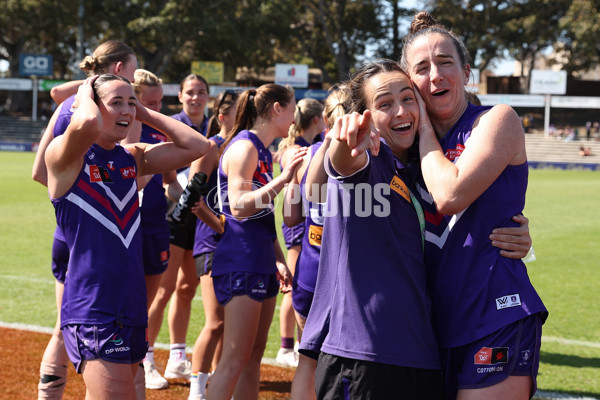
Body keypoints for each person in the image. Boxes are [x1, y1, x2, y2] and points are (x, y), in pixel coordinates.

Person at [401, 11, 548, 399]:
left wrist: (427, 135)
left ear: (466, 72)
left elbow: (451, 195)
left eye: (445, 63)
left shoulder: (497, 120)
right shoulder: (404, 145)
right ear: (411, 83)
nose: (435, 75)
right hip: (430, 325)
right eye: (422, 68)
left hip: (495, 313)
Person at [45, 74, 209, 399]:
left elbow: (197, 146)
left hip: (132, 304)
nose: (126, 110)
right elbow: (88, 122)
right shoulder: (64, 157)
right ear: (91, 105)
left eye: (130, 102)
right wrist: (85, 91)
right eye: (116, 103)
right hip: (93, 306)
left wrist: (143, 113)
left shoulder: (132, 159)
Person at [31, 40, 138, 400]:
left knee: (67, 327)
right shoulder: (96, 112)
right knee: (98, 321)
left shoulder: (68, 103)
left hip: (71, 231)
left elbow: (38, 171)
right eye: (133, 73)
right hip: (95, 235)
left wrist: (71, 199)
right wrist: (87, 200)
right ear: (119, 71)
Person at [205, 84, 306, 400]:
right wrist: (284, 177)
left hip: (259, 259)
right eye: (292, 109)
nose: (294, 118)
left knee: (252, 358)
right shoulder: (245, 146)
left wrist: (277, 256)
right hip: (240, 260)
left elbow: (260, 216)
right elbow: (237, 205)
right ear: (276, 108)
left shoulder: (262, 149)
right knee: (234, 359)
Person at [288, 84, 352, 400]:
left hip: (310, 274)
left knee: (309, 363)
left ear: (325, 121)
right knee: (347, 369)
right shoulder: (366, 154)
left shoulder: (306, 156)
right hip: (350, 281)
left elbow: (290, 219)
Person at [145, 74, 210, 383]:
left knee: (187, 289)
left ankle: (176, 357)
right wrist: (181, 194)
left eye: (201, 92)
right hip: (171, 216)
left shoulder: (213, 127)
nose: (196, 97)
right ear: (181, 96)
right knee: (163, 289)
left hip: (202, 219)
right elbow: (166, 176)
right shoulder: (169, 124)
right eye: (190, 92)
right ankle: (145, 359)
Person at [123, 69, 183, 390]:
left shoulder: (158, 132)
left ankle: (144, 358)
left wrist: (189, 206)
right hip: (129, 229)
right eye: (150, 103)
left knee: (150, 299)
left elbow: (171, 180)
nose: (156, 109)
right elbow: (137, 179)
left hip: (157, 225)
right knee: (131, 303)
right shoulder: (124, 134)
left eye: (160, 102)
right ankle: (136, 360)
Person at [187, 88, 241, 400]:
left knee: (230, 324)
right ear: (222, 117)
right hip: (212, 241)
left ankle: (222, 385)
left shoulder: (243, 147)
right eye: (239, 113)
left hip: (235, 244)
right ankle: (197, 389)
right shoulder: (212, 147)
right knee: (216, 321)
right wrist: (220, 225)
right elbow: (192, 197)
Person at [275, 97, 325, 367]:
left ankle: (294, 343)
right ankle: (287, 346)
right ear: (317, 120)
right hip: (301, 225)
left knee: (297, 288)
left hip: (302, 221)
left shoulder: (300, 148)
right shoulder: (302, 150)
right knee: (295, 288)